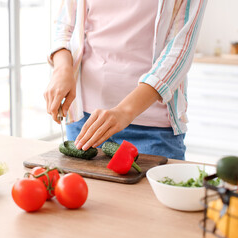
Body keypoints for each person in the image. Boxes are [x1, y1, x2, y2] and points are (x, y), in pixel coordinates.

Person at [44, 0, 207, 160]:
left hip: (152, 129)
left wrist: (125, 111)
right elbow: (65, 27)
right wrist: (62, 69)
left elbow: (180, 49)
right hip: (84, 119)